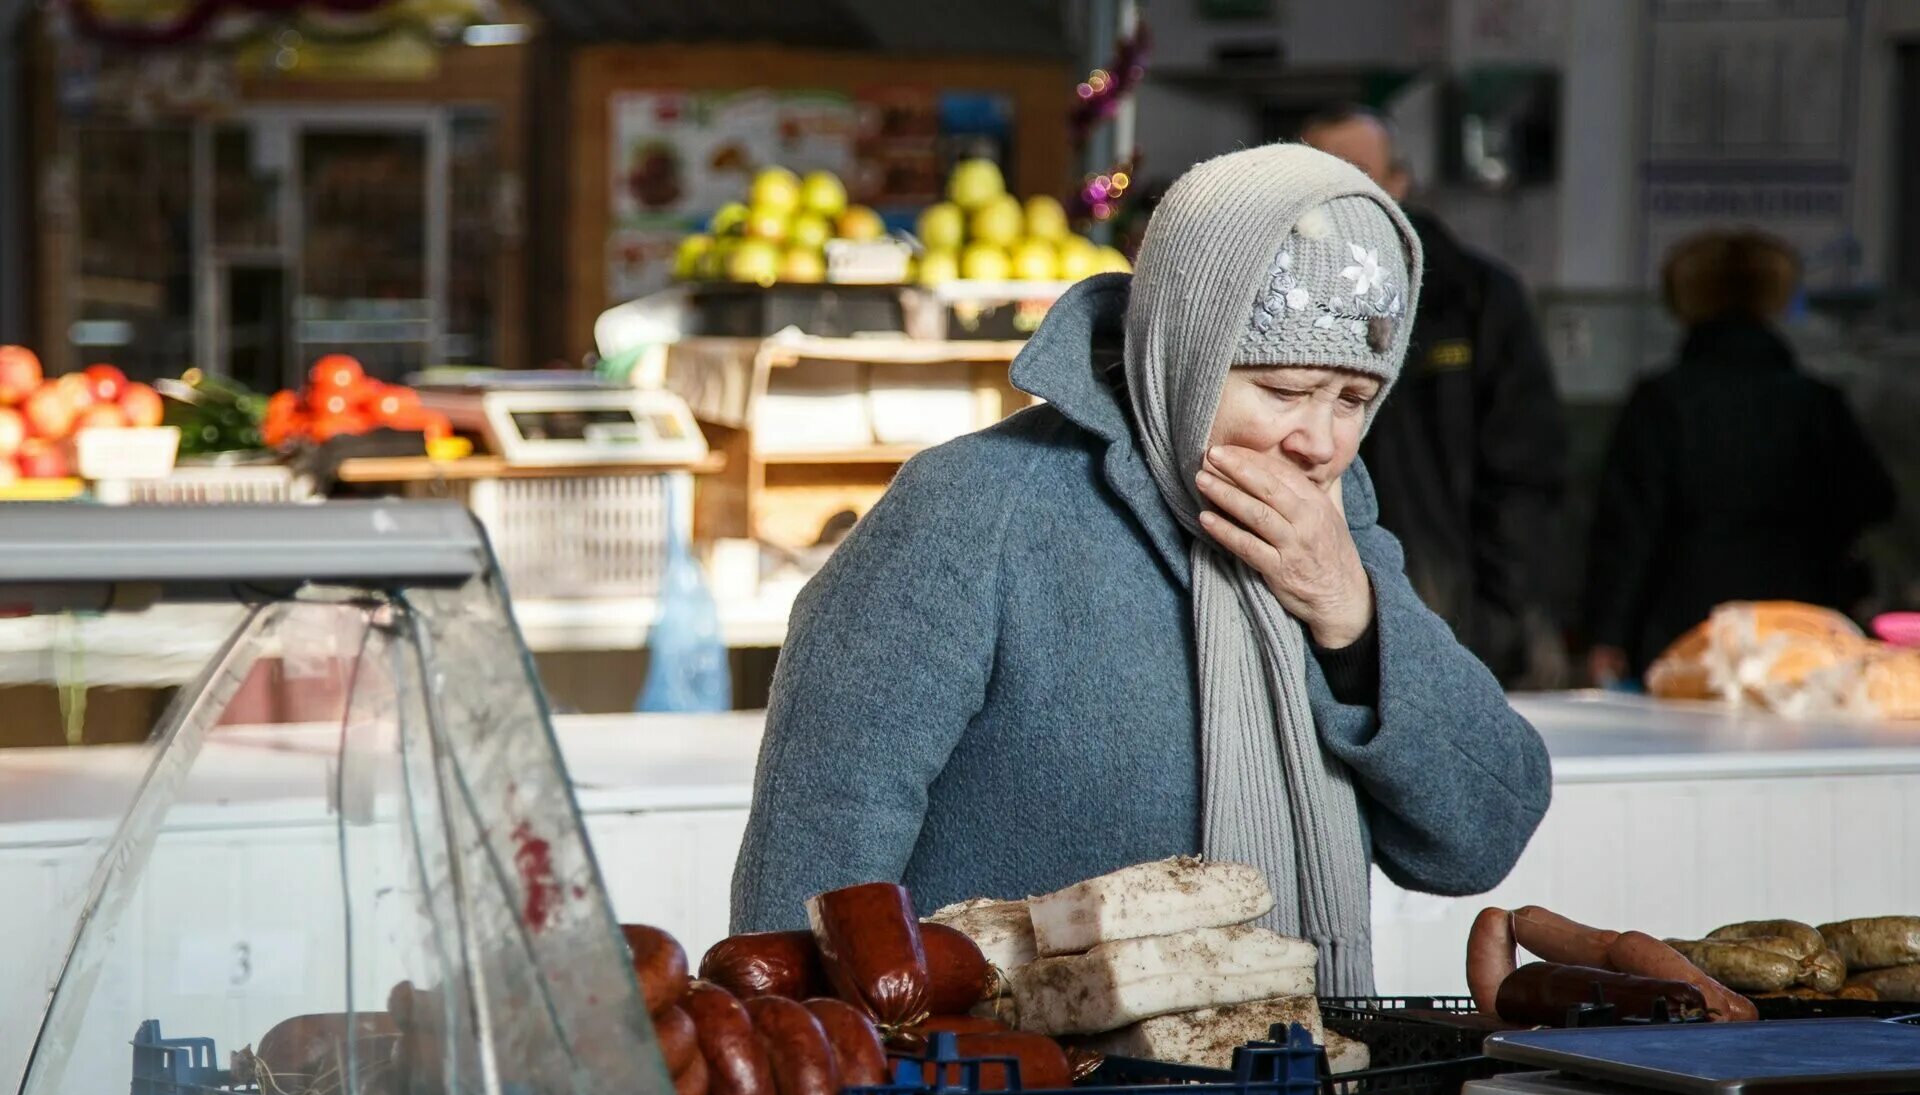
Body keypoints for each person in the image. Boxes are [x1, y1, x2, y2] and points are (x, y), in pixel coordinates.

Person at [730, 144, 1551, 996]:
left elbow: (1482, 836)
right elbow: (815, 857)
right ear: (1186, 350)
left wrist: (1356, 617)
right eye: (1283, 389)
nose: (1320, 440)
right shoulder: (978, 511)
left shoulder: (1335, 531)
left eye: (1352, 400)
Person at [1301, 106, 1568, 688]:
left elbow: (1526, 471)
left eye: (1357, 171)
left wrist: (1499, 620)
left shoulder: (1473, 299)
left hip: (1458, 613)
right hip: (1323, 615)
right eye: (1321, 172)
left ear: (1399, 182)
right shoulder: (1284, 301)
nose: (1342, 192)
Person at [1584, 230, 1896, 685]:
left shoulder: (1663, 400)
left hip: (1686, 626)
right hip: (1799, 621)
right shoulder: (1814, 402)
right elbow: (1874, 500)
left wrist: (1606, 634)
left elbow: (1628, 530)